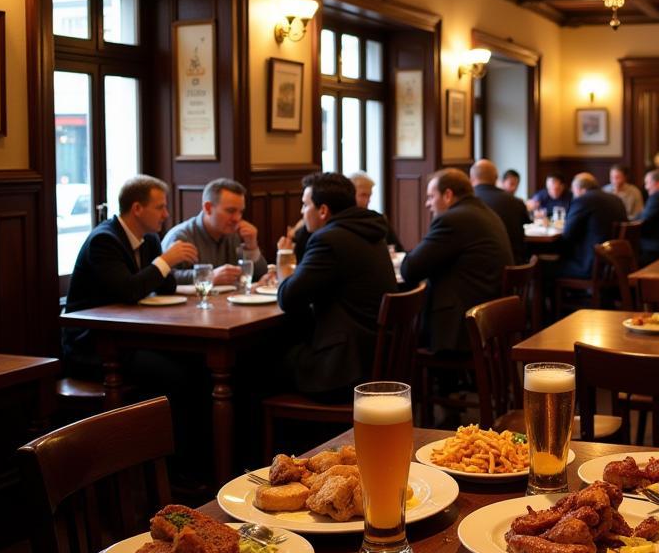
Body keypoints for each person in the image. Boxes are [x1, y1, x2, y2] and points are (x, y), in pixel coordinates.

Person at [277, 172, 397, 400]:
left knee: (255, 365)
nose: (302, 212)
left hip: (344, 366)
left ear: (323, 211)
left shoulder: (328, 239)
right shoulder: (370, 231)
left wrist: (284, 262)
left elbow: (288, 298)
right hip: (374, 356)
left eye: (305, 205)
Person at [64, 175, 196, 361]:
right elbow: (128, 291)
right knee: (171, 372)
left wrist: (167, 263)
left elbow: (166, 288)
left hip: (130, 334)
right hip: (93, 342)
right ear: (137, 209)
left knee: (191, 359)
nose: (166, 214)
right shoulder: (104, 240)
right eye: (160, 207)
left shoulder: (149, 238)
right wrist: (165, 261)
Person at [401, 168, 513, 353]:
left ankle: (398, 381)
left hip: (461, 326)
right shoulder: (486, 212)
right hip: (489, 317)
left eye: (431, 197)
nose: (427, 204)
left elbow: (410, 270)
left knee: (399, 338)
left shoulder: (453, 220)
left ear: (448, 195)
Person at [161, 178, 266, 286]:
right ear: (208, 208)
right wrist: (207, 276)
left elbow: (259, 275)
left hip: (228, 300)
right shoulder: (180, 237)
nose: (237, 218)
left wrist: (252, 247)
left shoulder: (235, 234)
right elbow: (163, 278)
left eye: (240, 212)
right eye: (231, 211)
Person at [554, 172, 627, 279]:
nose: (573, 195)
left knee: (545, 266)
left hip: (591, 265)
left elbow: (567, 234)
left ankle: (561, 295)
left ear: (580, 189)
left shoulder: (582, 200)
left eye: (573, 192)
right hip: (613, 264)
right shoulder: (616, 199)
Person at [471, 159, 530, 262]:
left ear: (471, 179)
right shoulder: (516, 202)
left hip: (480, 268)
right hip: (515, 266)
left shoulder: (467, 201)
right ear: (496, 179)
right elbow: (527, 224)